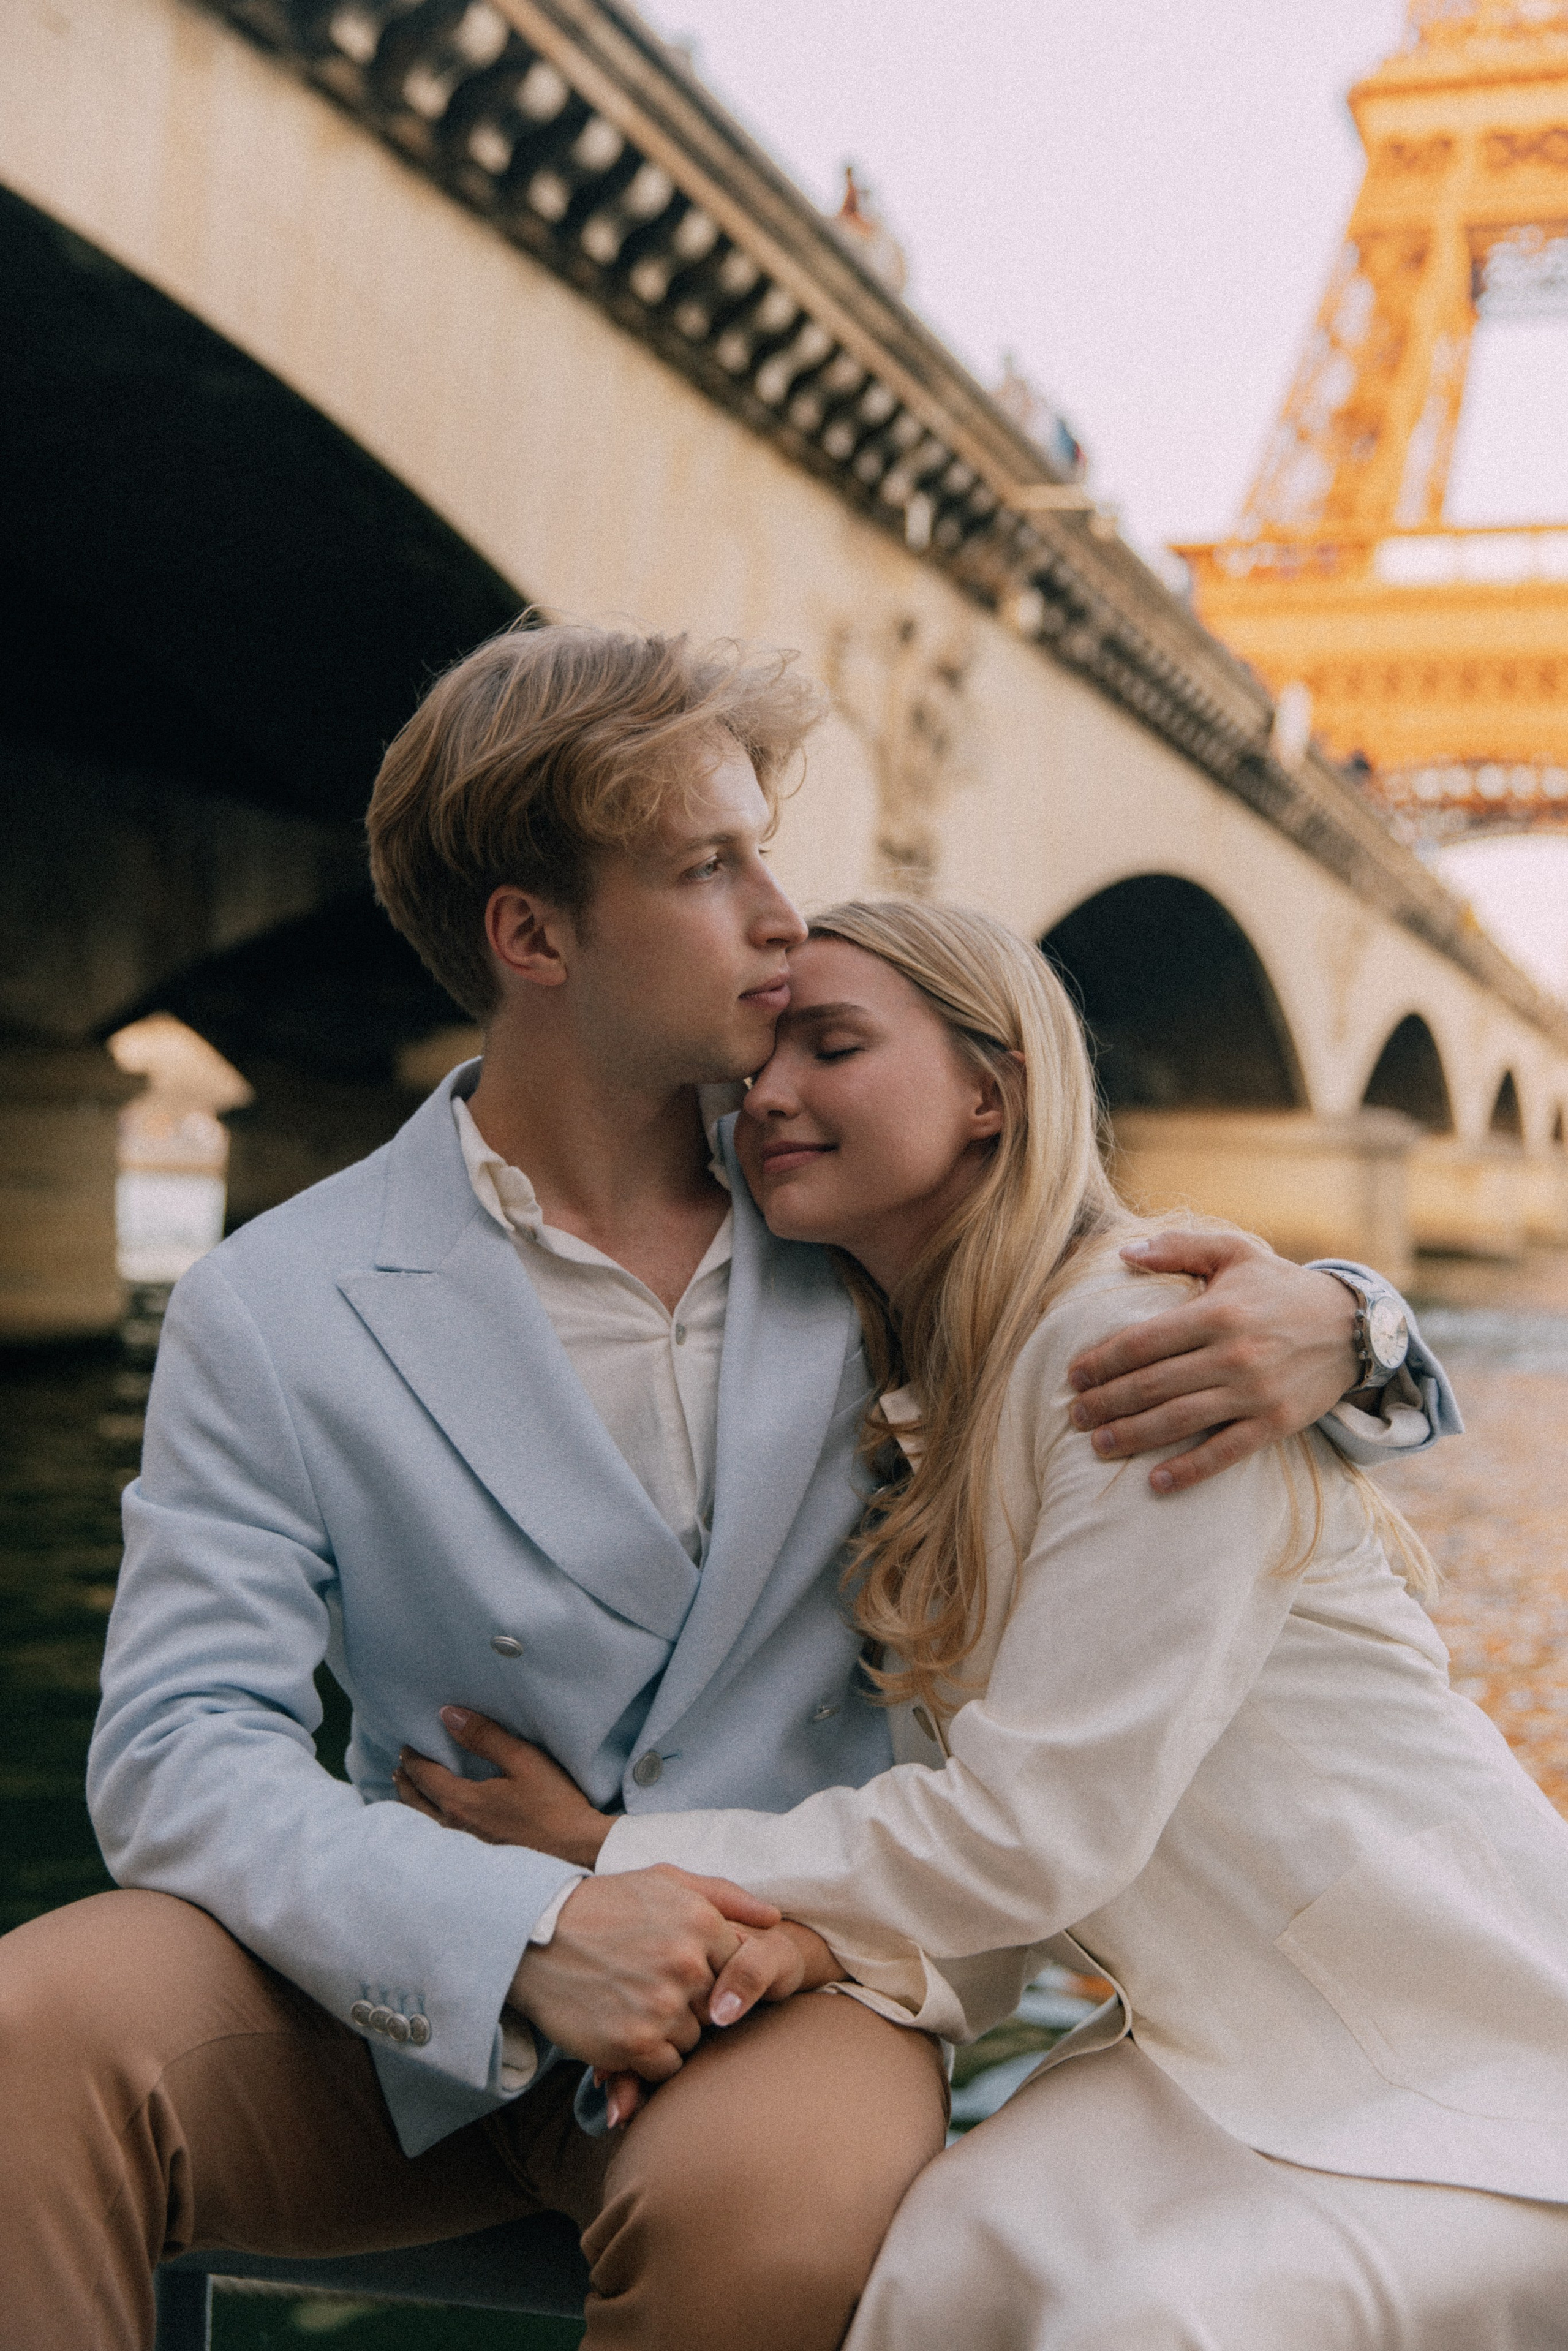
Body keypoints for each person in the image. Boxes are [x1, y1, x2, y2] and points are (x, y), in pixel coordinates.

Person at [0, 624, 1450, 2351]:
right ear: (533, 936)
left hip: (787, 1978)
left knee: (769, 2215)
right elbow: (179, 1748)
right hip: (411, 1989)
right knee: (27, 2037)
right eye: (710, 867)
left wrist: (1352, 1319)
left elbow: (1116, 1298)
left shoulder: (872, 1215)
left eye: (765, 849)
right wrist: (525, 1927)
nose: (781, 913)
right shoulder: (276, 1297)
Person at [447, 895, 1568, 2350]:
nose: (766, 1093)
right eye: (755, 1065)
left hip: (1475, 2038)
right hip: (1214, 2039)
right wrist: (820, 1945)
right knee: (936, 2273)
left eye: (831, 1044)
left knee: (1151, 2326)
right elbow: (992, 1853)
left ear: (992, 1090)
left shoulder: (1135, 1342)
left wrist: (607, 1851)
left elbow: (1032, 1832)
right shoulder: (926, 1396)